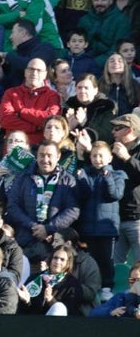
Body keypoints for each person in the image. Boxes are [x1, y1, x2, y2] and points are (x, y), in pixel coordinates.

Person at [7, 141, 79, 263]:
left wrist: (48, 228)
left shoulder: (68, 180)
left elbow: (73, 210)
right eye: (41, 155)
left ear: (58, 156)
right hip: (25, 239)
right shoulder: (23, 178)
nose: (45, 159)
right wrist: (32, 226)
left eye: (49, 155)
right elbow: (13, 206)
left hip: (54, 243)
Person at [0, 58, 62, 145]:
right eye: (31, 69)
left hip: (41, 148)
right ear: (25, 72)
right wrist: (34, 127)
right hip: (14, 149)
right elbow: (5, 120)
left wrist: (21, 112)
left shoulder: (52, 95)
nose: (34, 73)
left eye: (39, 70)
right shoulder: (10, 93)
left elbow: (51, 119)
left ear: (45, 75)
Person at [107, 113, 140, 265]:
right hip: (117, 219)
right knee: (116, 267)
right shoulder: (112, 152)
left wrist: (127, 158)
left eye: (117, 128)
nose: (113, 132)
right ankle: (121, 290)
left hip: (137, 220)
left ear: (130, 130)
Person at [18, 246, 83, 315]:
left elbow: (70, 312)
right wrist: (26, 301)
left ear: (68, 263)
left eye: (62, 259)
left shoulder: (73, 285)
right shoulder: (35, 278)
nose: (57, 262)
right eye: (55, 258)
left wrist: (51, 300)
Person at [79, 0, 131, 67]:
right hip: (86, 62)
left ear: (111, 0)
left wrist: (94, 63)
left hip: (112, 64)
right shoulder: (84, 20)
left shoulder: (121, 20)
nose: (99, 3)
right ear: (92, 1)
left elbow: (118, 48)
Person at [65, 73, 116, 144]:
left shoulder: (105, 106)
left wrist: (85, 122)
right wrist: (69, 128)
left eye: (86, 88)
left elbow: (108, 135)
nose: (82, 91)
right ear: (75, 89)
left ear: (95, 90)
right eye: (79, 88)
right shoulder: (69, 106)